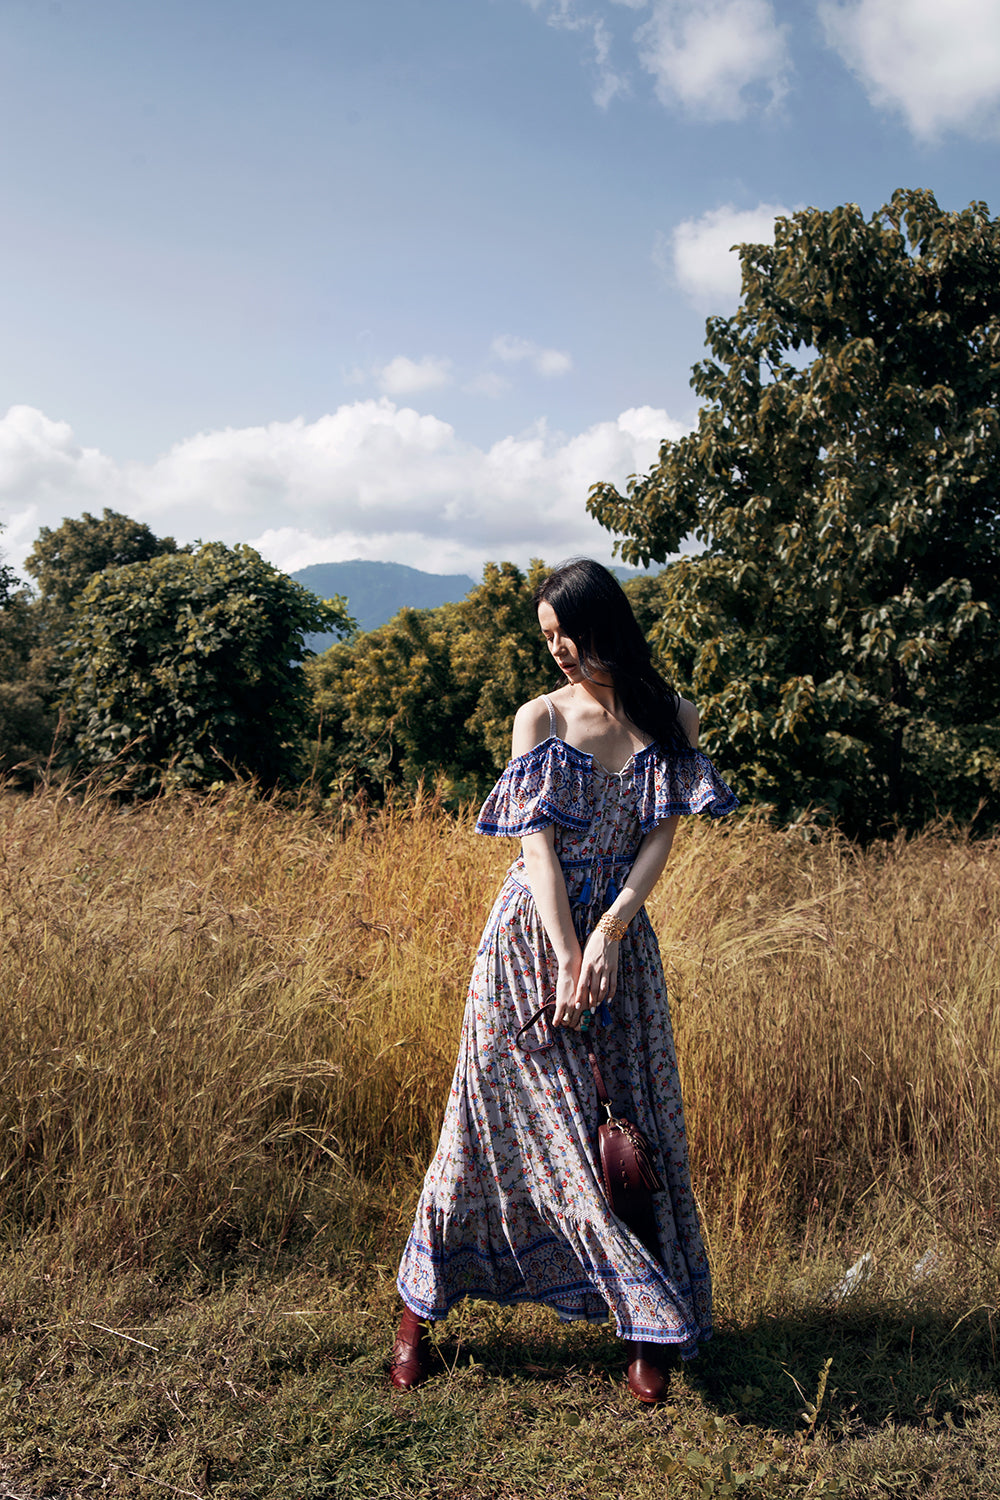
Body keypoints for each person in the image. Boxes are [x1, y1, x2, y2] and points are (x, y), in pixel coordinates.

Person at [390, 558, 737, 1403]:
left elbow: (661, 837)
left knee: (628, 1132)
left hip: (622, 950)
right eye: (545, 637)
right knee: (481, 1133)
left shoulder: (672, 716)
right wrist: (569, 953)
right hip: (528, 948)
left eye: (566, 634)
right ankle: (414, 1321)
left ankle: (647, 1327)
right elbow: (534, 849)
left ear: (606, 626)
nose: (556, 651)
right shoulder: (539, 718)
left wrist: (612, 932)